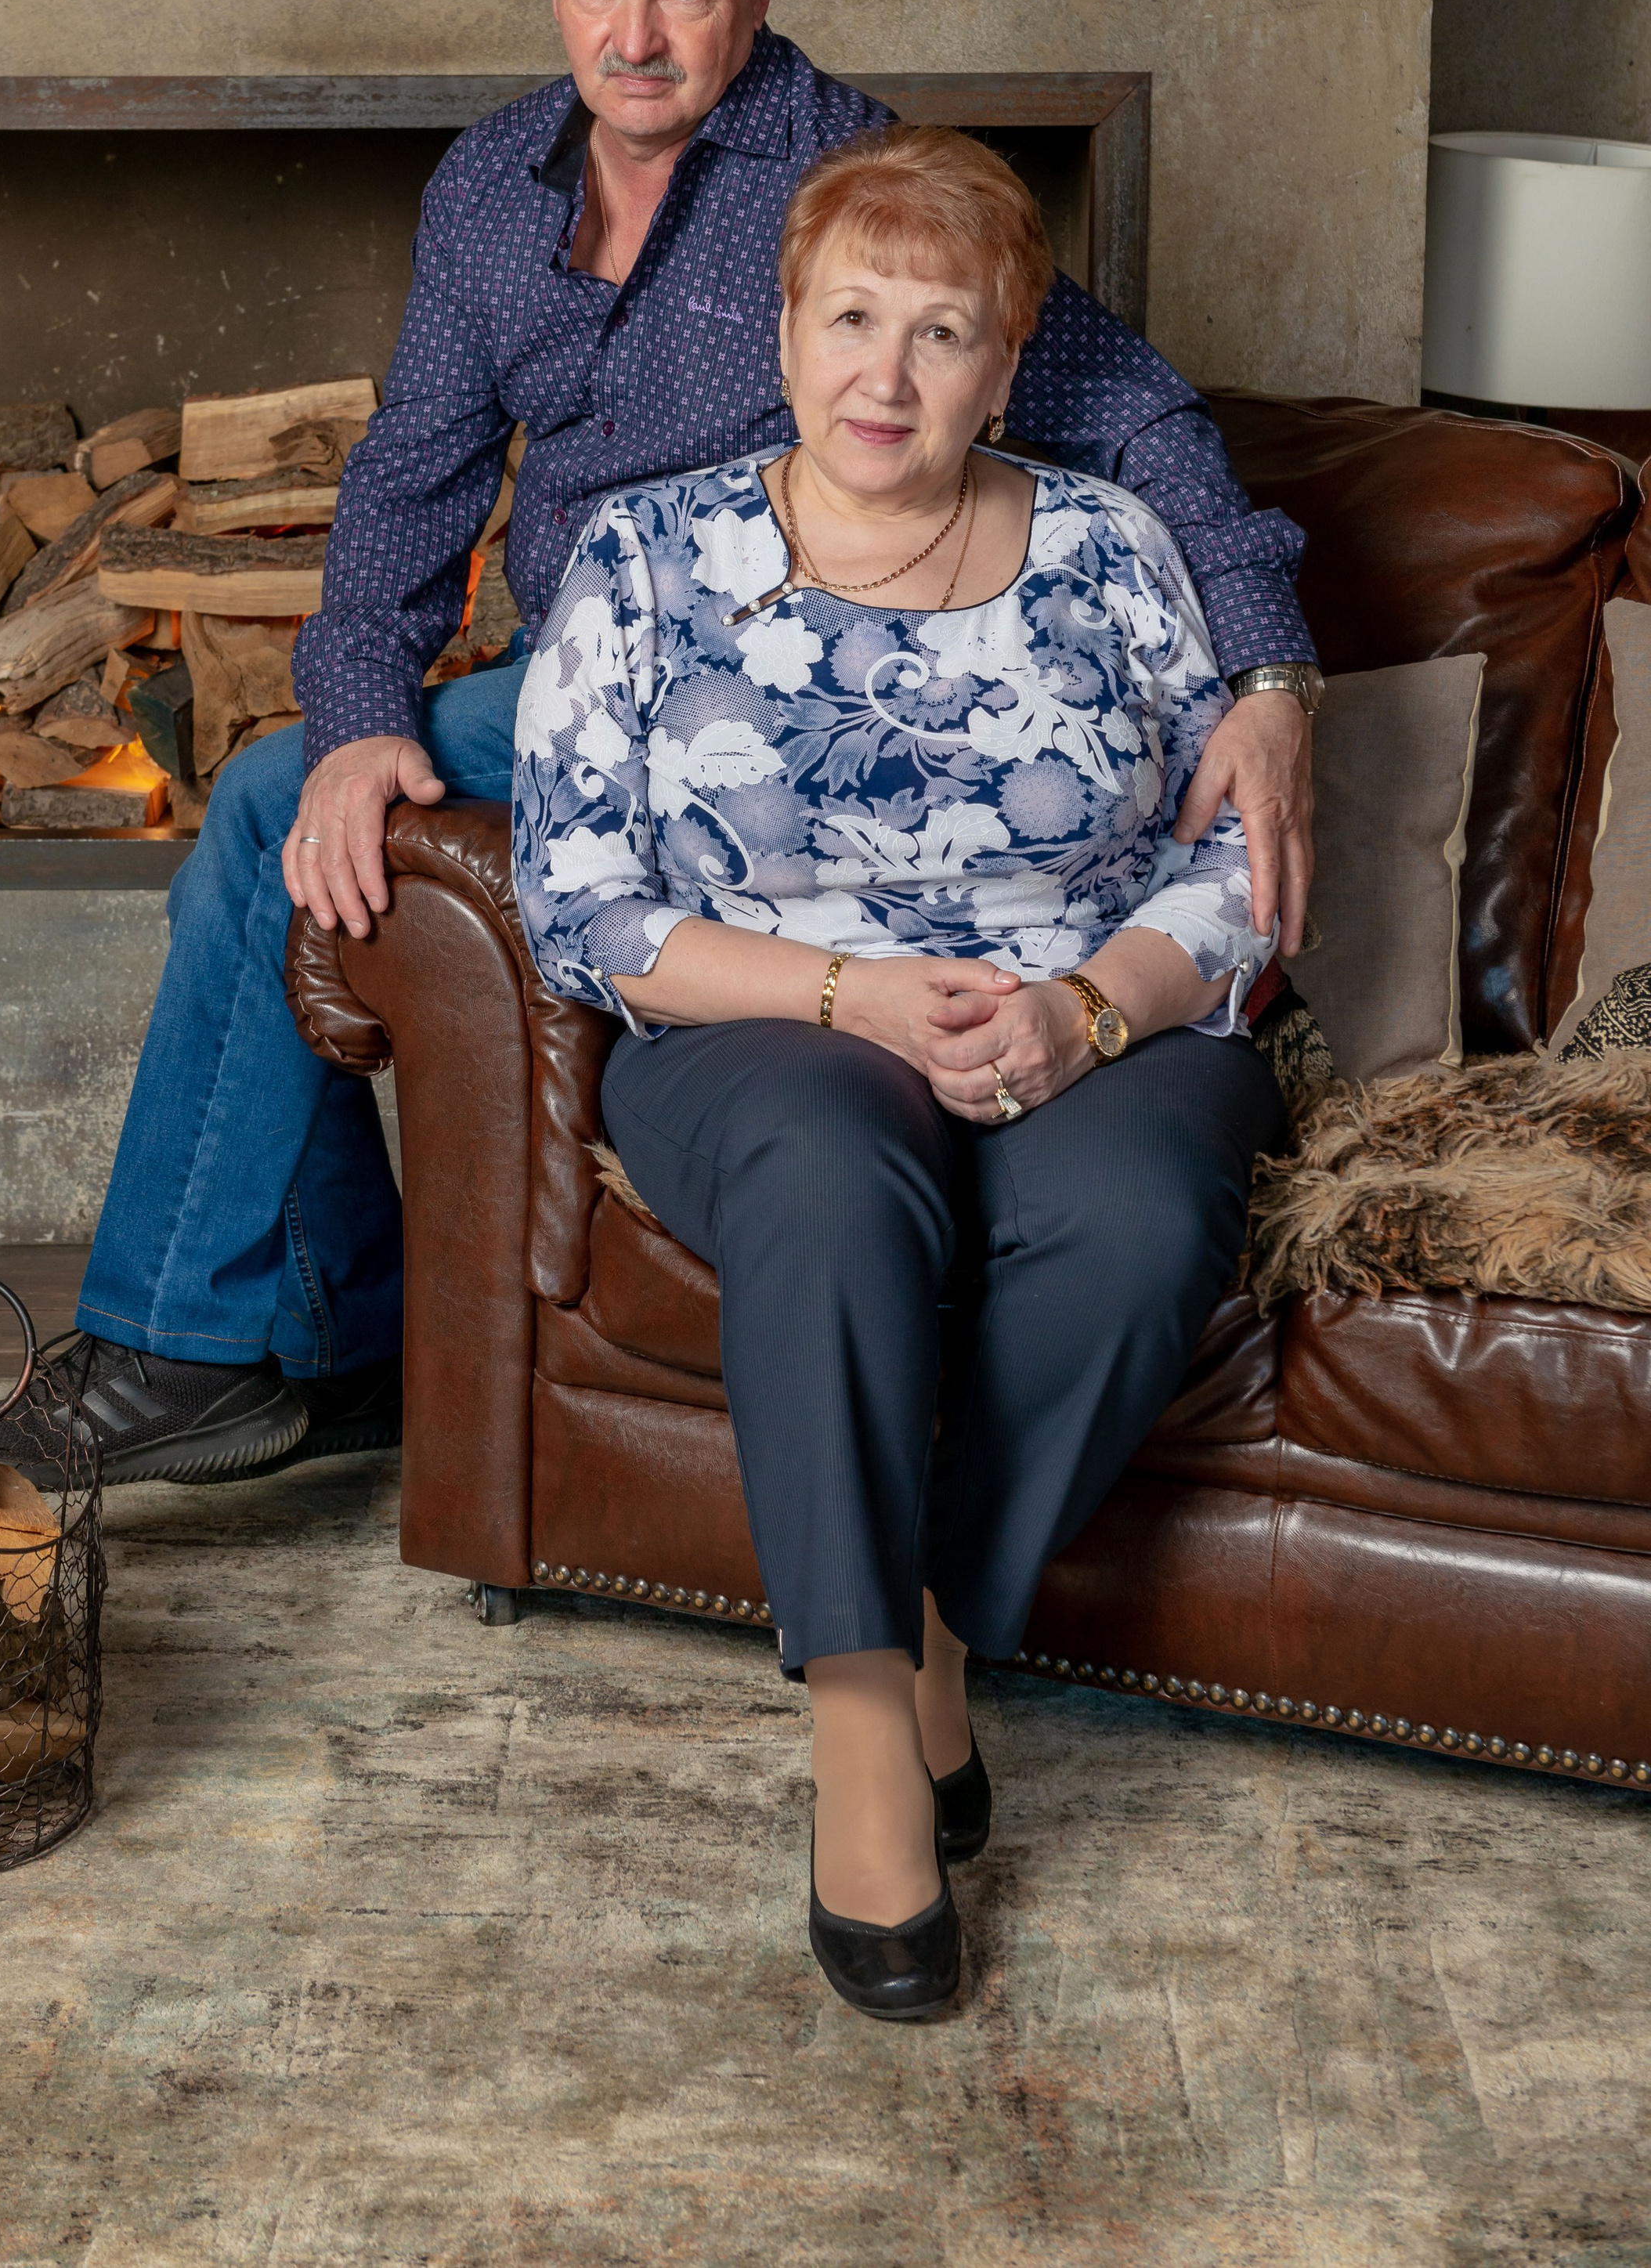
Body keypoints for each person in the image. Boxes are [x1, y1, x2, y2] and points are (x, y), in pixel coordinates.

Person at [28, 0, 1320, 1489]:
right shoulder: (490, 184)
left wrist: (1270, 672)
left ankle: (194, 1346)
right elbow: (411, 472)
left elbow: (1139, 419)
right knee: (305, 789)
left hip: (747, 691)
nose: (630, 40)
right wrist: (356, 705)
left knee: (263, 807)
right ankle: (305, 1337)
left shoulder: (850, 184)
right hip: (564, 671)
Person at [511, 123, 1287, 2021]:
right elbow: (576, 897)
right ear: (782, 333)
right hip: (764, 1019)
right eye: (848, 318)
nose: (885, 372)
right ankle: (865, 1726)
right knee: (829, 1167)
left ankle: (935, 1625)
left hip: (1086, 1010)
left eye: (940, 332)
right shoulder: (644, 554)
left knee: (1142, 1205)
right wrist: (849, 992)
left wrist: (1089, 1011)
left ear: (1006, 366)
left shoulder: (1110, 549)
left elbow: (1231, 868)